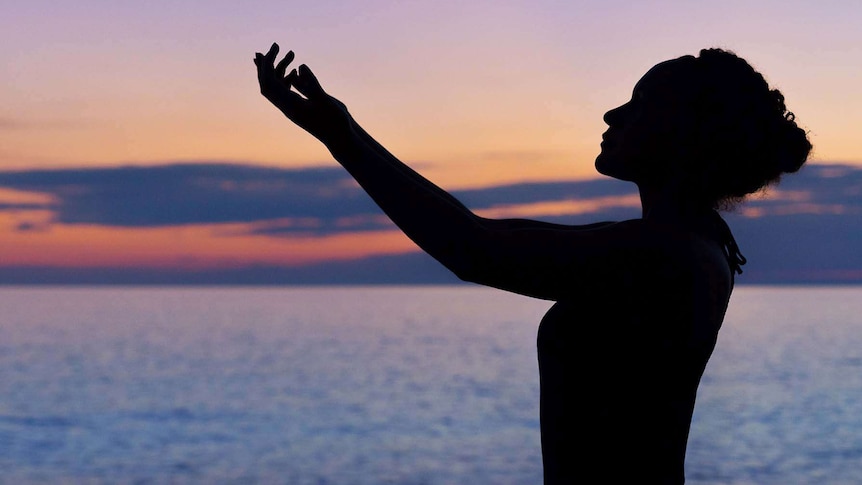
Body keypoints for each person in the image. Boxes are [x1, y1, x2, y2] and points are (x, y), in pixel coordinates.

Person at [254, 43, 811, 484]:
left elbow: (471, 248)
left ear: (681, 134)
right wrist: (342, 132)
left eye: (639, 104)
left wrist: (340, 135)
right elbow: (482, 236)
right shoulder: (685, 244)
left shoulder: (664, 256)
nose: (613, 112)